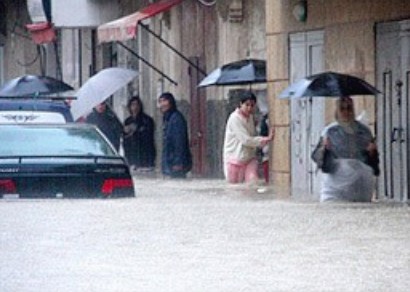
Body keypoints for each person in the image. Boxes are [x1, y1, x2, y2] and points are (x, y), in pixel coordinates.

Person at [313, 96, 379, 202]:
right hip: (336, 185)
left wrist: (372, 152)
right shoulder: (330, 131)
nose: (346, 112)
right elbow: (319, 159)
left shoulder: (364, 131)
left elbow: (374, 165)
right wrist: (325, 149)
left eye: (349, 108)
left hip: (360, 185)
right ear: (337, 111)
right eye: (342, 109)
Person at [223, 92, 275, 185]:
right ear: (240, 104)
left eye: (252, 105)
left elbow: (252, 136)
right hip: (235, 159)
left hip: (249, 158)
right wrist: (266, 139)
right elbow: (245, 140)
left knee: (253, 183)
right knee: (235, 189)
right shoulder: (234, 118)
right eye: (247, 105)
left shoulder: (250, 117)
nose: (249, 108)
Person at [158, 92, 192, 178]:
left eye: (165, 101)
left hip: (176, 165)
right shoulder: (168, 119)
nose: (162, 104)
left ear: (171, 102)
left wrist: (178, 162)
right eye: (160, 101)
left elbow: (179, 142)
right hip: (169, 163)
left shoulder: (176, 119)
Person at [123, 96, 156, 172]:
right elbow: (125, 140)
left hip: (145, 156)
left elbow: (149, 138)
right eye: (133, 105)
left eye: (137, 105)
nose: (135, 107)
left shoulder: (147, 120)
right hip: (132, 156)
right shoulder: (128, 121)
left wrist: (137, 130)